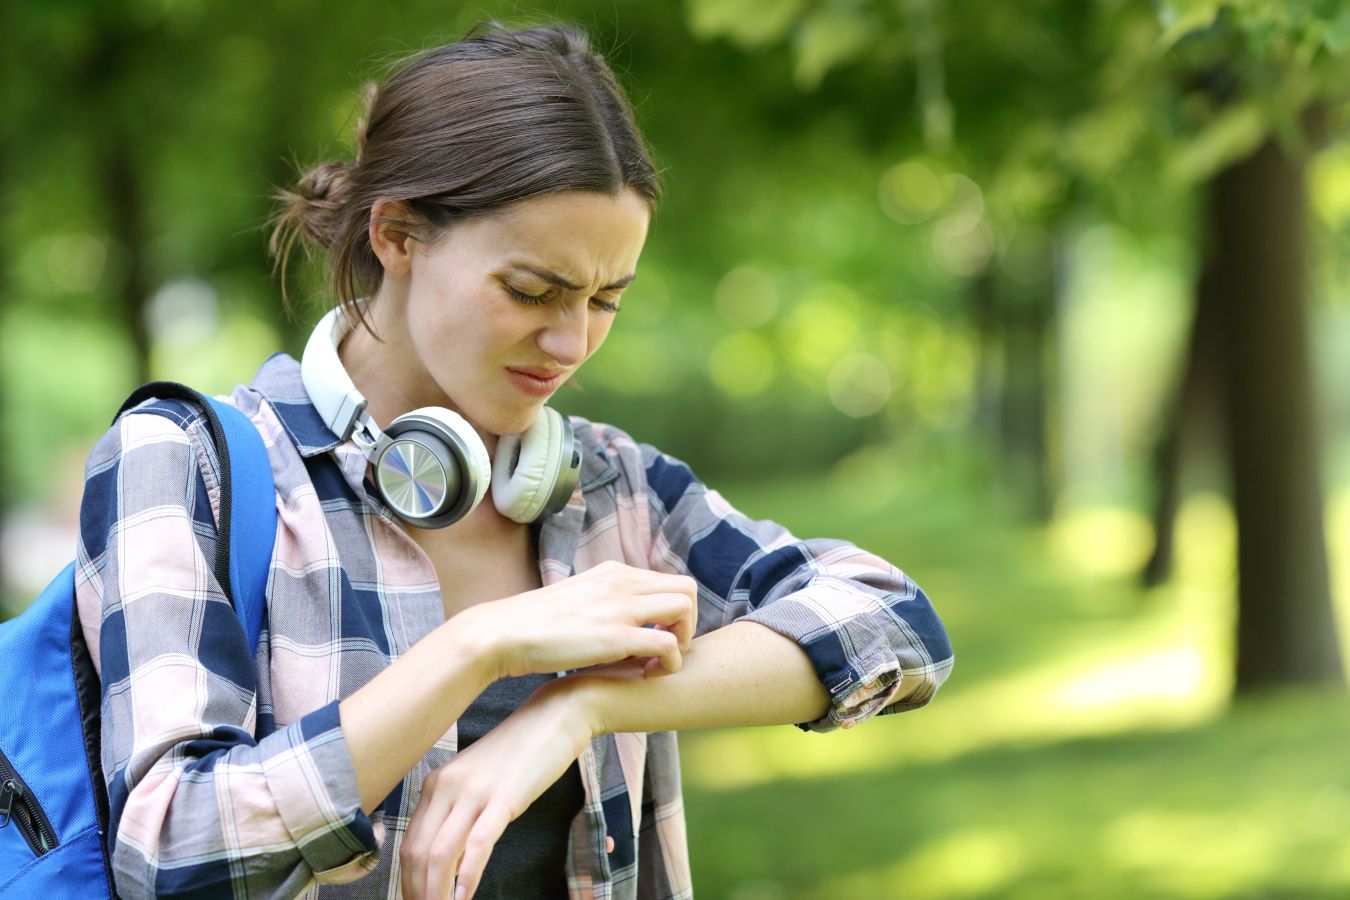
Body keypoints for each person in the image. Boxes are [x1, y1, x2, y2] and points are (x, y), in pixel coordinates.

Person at [74, 20, 954, 900]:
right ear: (397, 237)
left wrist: (582, 705)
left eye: (606, 299)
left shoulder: (613, 488)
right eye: (532, 291)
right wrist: (479, 647)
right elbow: (169, 845)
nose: (570, 341)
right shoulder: (187, 464)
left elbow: (896, 625)